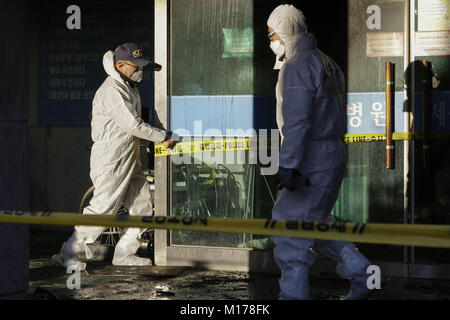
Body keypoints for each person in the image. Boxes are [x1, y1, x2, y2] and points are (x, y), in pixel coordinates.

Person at [267, 5, 373, 300]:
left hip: (310, 158)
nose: (271, 40)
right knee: (315, 223)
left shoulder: (298, 65)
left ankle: (293, 297)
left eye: (272, 34)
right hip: (330, 154)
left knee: (290, 235)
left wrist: (288, 165)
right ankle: (363, 273)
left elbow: (298, 122)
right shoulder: (327, 62)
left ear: (285, 32)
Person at [52, 43, 175, 270]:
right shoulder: (112, 90)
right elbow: (132, 124)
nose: (140, 71)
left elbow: (131, 129)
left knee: (142, 208)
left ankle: (124, 254)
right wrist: (161, 137)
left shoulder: (128, 87)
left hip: (129, 156)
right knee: (103, 208)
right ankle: (70, 253)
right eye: (135, 67)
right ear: (120, 65)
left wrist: (150, 140)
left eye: (141, 67)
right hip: (112, 158)